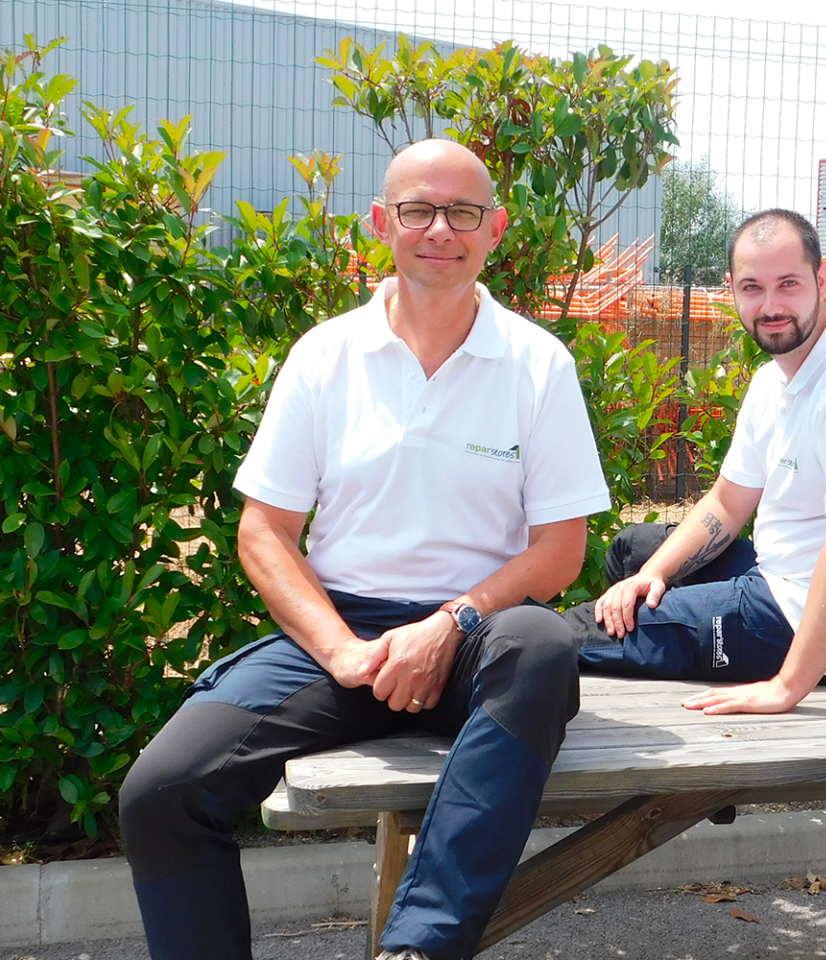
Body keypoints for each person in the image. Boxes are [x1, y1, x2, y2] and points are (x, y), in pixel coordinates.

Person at [118, 139, 610, 960]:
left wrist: (450, 623)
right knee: (160, 793)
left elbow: (560, 550)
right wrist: (343, 651)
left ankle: (419, 946)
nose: (440, 230)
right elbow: (264, 532)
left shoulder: (537, 364)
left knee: (544, 644)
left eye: (463, 212)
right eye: (418, 210)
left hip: (478, 641)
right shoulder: (326, 356)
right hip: (340, 634)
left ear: (495, 230)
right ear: (382, 223)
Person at [567, 209, 826, 714]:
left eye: (788, 284)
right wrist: (654, 573)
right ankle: (652, 670)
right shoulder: (773, 381)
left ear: (822, 279)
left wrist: (785, 687)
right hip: (777, 576)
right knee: (634, 556)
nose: (771, 305)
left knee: (574, 635)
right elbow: (728, 502)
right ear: (732, 289)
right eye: (753, 287)